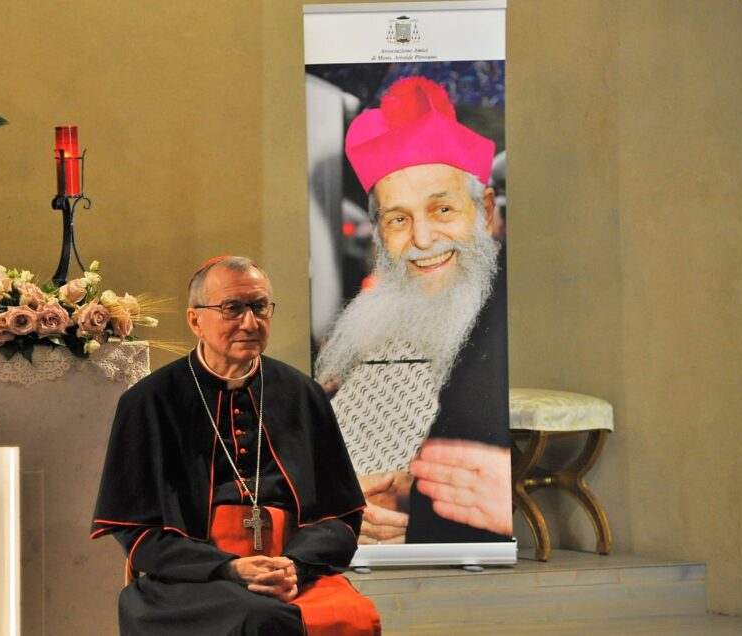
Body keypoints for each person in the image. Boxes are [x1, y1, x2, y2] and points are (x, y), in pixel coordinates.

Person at [92, 256, 381, 635]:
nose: (250, 322)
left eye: (259, 307)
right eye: (233, 308)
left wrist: (293, 564)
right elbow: (136, 532)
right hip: (190, 581)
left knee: (356, 613)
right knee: (261, 619)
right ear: (196, 320)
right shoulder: (150, 401)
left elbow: (341, 515)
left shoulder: (301, 394)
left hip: (290, 573)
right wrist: (228, 567)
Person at [316, 76, 512, 545]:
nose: (422, 241)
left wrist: (418, 507)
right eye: (399, 219)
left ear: (485, 211)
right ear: (380, 233)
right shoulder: (371, 320)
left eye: (442, 210)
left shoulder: (511, 316)